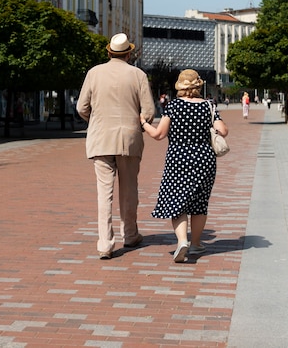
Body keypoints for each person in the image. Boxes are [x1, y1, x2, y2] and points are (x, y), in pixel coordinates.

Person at [77, 33, 155, 260]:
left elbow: (82, 107)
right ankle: (130, 234)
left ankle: (105, 243)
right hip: (129, 138)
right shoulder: (138, 74)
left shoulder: (94, 73)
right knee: (129, 189)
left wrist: (96, 121)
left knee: (104, 192)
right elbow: (149, 111)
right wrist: (139, 123)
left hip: (100, 138)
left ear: (109, 52)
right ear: (129, 53)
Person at [140, 69, 228, 263]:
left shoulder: (173, 106)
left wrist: (143, 124)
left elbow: (158, 135)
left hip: (178, 159)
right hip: (205, 159)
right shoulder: (209, 105)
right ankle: (196, 243)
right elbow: (223, 130)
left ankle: (182, 241)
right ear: (198, 86)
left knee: (177, 201)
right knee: (199, 203)